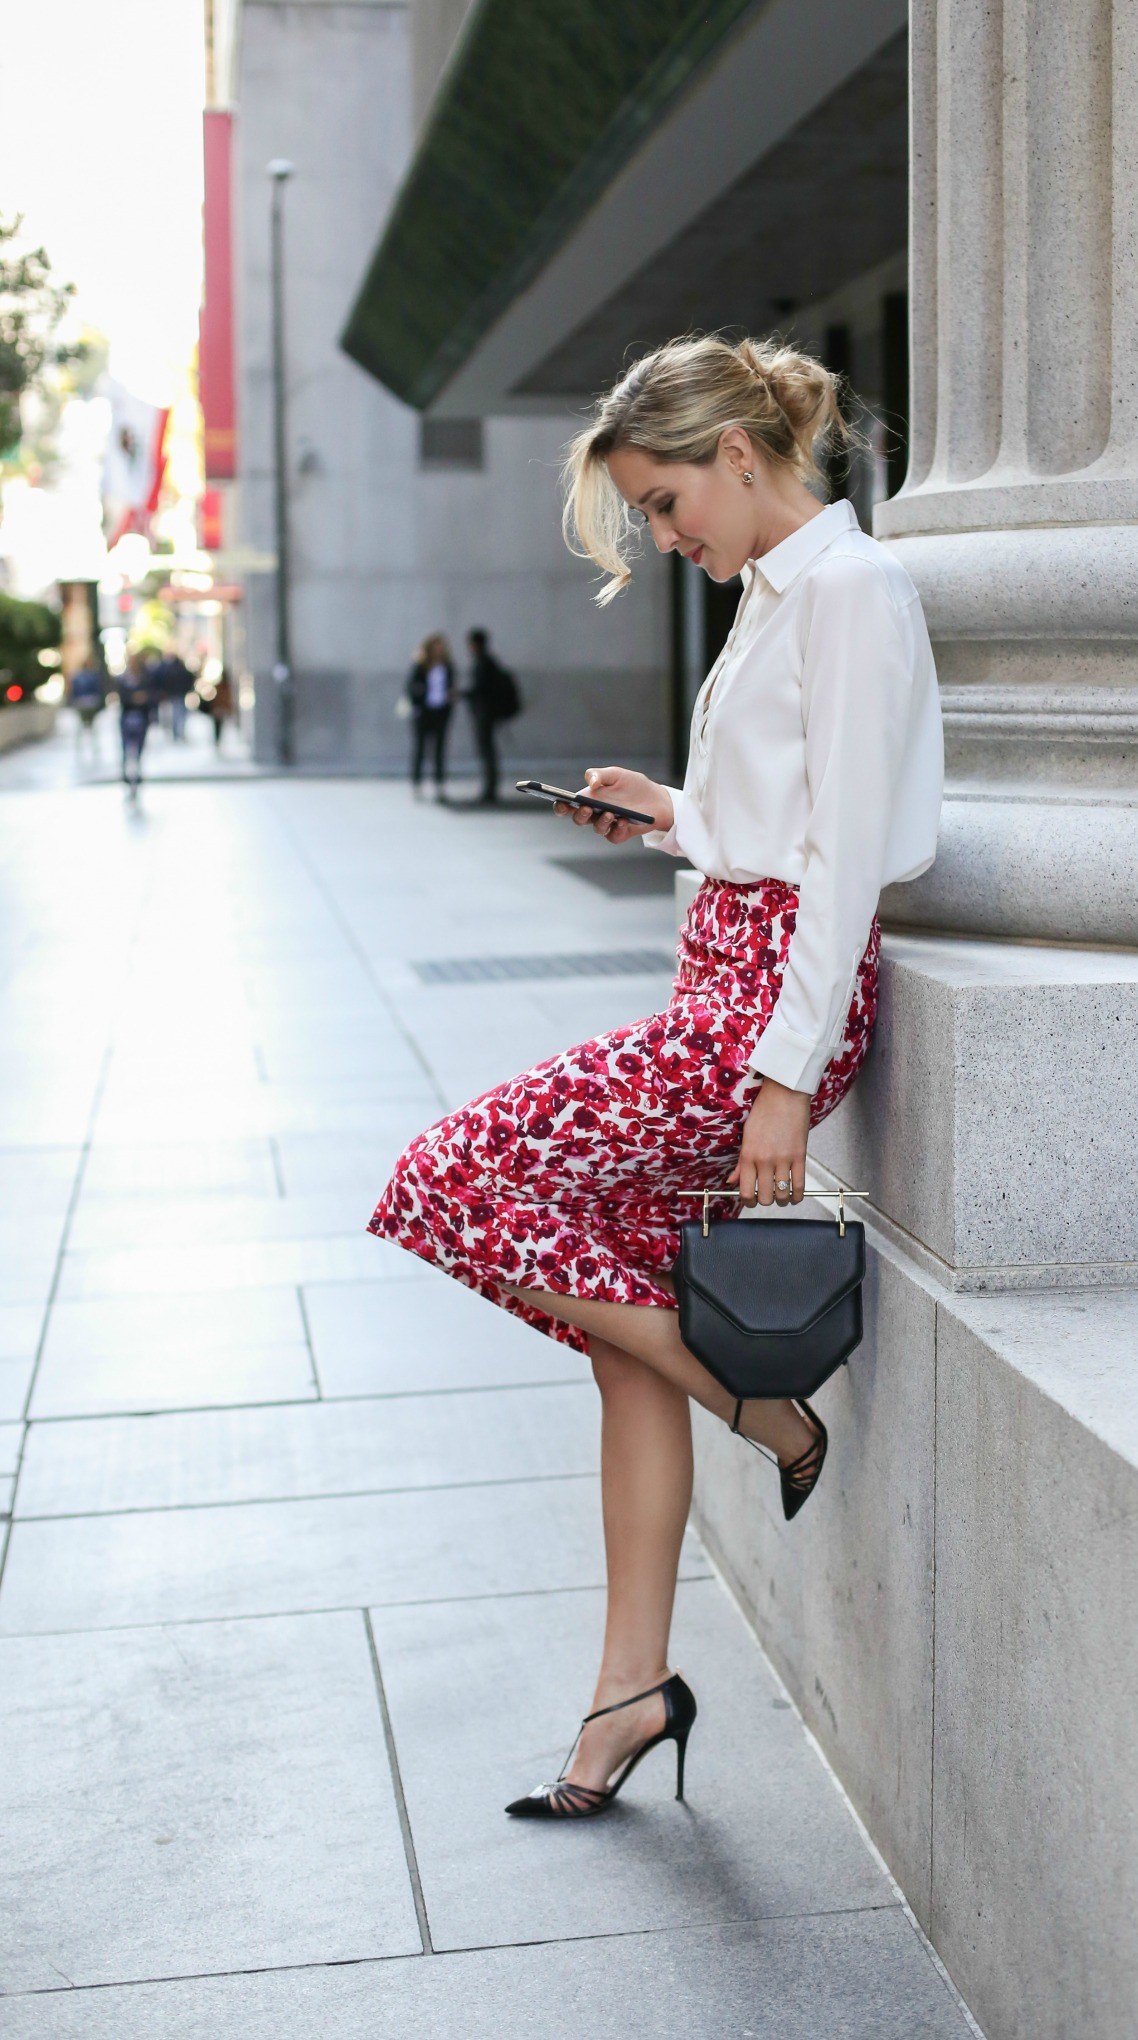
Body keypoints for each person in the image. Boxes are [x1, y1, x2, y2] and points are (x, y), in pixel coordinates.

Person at [369, 334, 943, 1819]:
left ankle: (767, 1413)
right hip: (726, 982)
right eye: (651, 513)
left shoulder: (853, 591)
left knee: (443, 1178)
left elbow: (848, 863)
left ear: (740, 456)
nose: (665, 535)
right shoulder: (774, 593)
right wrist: (675, 813)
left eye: (668, 501)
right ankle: (629, 1692)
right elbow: (772, 824)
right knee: (619, 1335)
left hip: (765, 1010)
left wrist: (781, 1079)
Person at [463, 627, 517, 805]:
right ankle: (490, 788)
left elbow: (481, 690)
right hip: (487, 714)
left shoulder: (483, 663)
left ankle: (490, 789)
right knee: (488, 751)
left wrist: (463, 694)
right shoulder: (487, 661)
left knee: (487, 752)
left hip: (485, 714)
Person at [408, 633, 455, 797]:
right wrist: (417, 705)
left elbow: (451, 686)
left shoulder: (447, 666)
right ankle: (417, 784)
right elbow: (410, 687)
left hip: (440, 712)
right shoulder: (421, 665)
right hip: (423, 712)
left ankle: (439, 784)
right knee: (420, 749)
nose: (439, 649)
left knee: (439, 750)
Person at [117, 651, 157, 798]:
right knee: (126, 747)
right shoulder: (122, 679)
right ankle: (125, 773)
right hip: (127, 717)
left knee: (139, 746)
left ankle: (137, 771)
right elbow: (122, 698)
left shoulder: (145, 678)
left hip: (142, 717)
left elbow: (150, 696)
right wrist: (135, 698)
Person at [69, 661, 106, 752]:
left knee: (83, 726)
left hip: (83, 703)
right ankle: (91, 746)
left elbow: (73, 692)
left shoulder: (78, 677)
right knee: (90, 727)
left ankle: (83, 747)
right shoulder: (92, 676)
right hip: (89, 703)